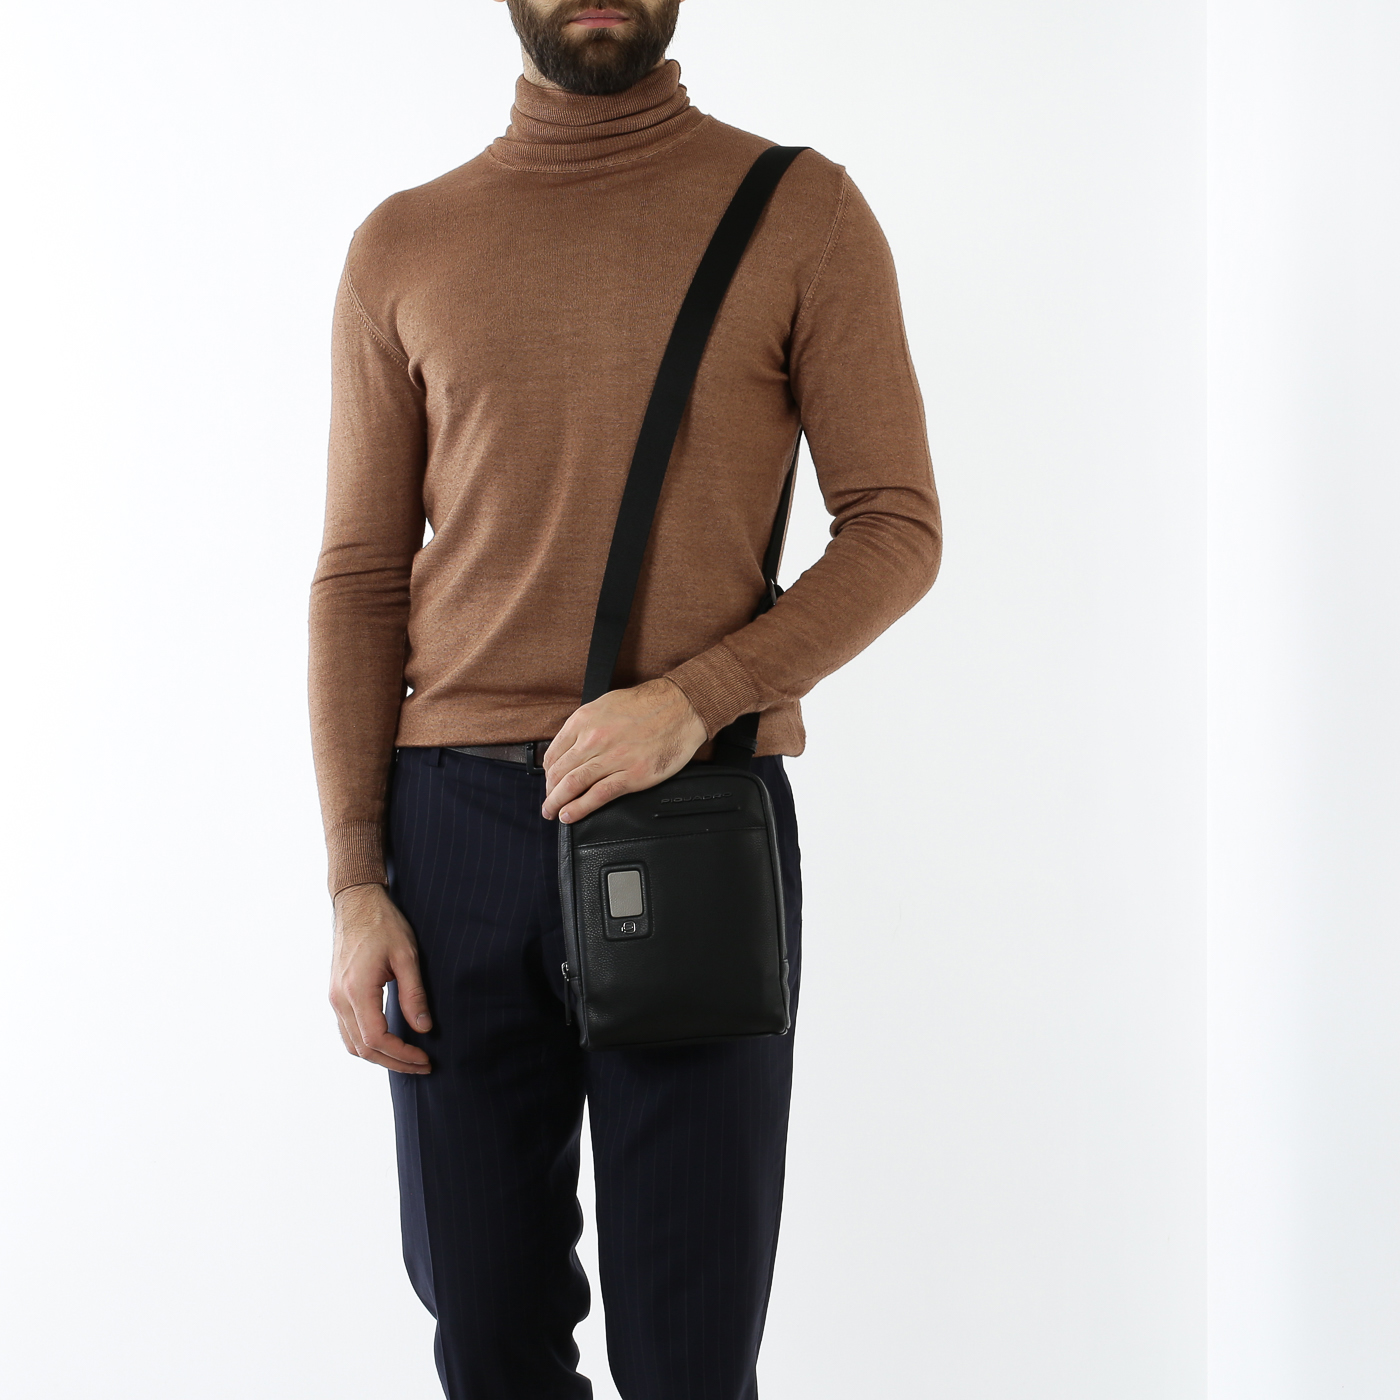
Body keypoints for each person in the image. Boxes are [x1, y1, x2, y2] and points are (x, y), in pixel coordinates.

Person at [308, 1, 941, 1395]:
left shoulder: (802, 211)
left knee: (689, 1351)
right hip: (450, 839)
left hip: (691, 813)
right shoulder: (402, 243)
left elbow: (896, 526)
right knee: (487, 1339)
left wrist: (699, 697)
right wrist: (356, 879)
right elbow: (358, 579)